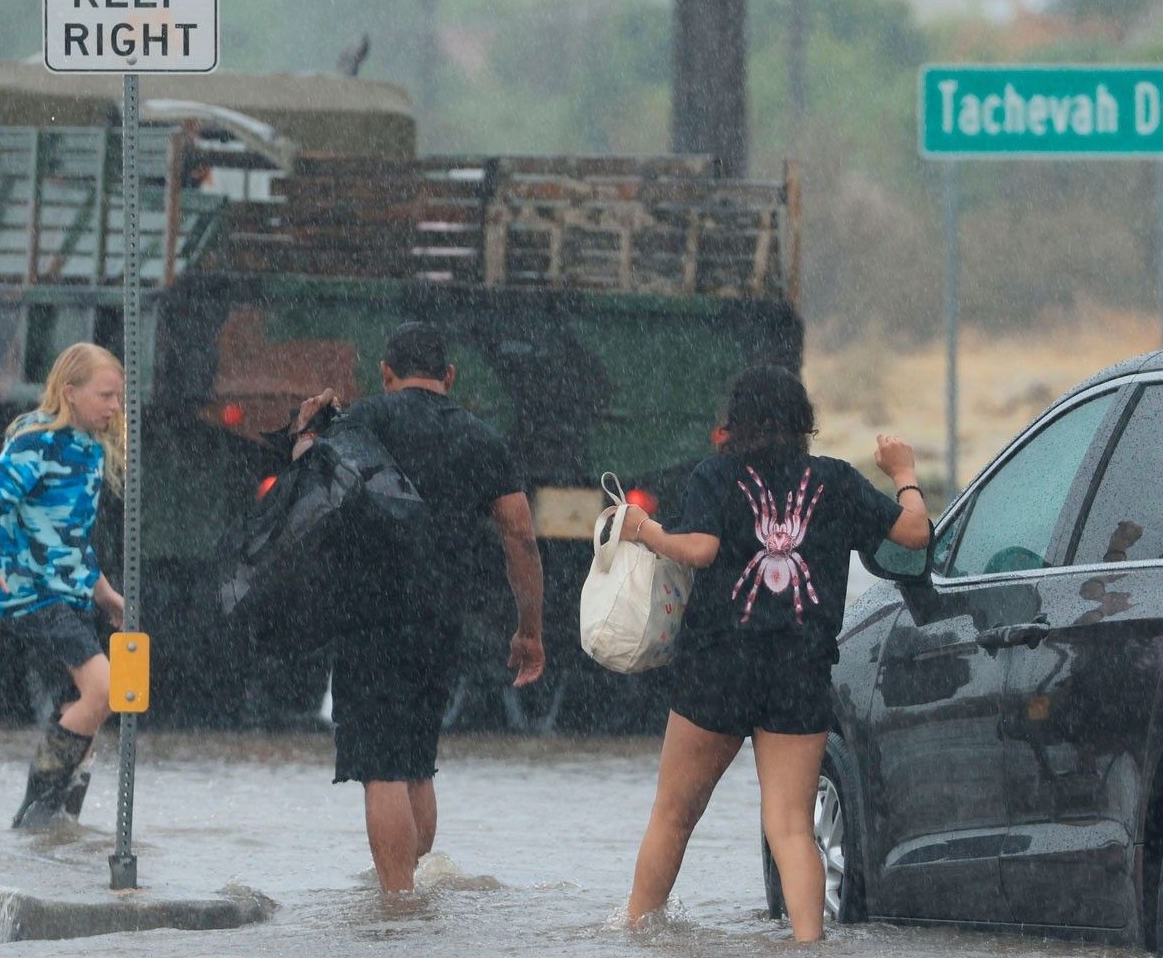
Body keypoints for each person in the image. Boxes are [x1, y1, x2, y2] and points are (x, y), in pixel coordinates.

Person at [618, 365, 932, 942]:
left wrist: (646, 530)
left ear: (734, 425)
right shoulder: (836, 481)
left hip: (718, 665)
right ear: (803, 424)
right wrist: (904, 473)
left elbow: (702, 549)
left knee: (673, 816)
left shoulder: (717, 475)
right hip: (800, 667)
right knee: (791, 828)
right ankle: (810, 945)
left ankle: (636, 937)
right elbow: (916, 534)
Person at [288, 321, 546, 892]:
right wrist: (530, 629)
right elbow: (520, 537)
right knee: (417, 761)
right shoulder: (482, 438)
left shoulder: (363, 423)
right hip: (442, 615)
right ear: (449, 375)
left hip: (368, 614)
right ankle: (417, 896)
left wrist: (306, 430)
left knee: (381, 767)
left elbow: (306, 493)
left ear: (385, 373)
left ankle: (399, 911)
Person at [0, 343, 128, 829]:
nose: (115, 407)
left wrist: (105, 593)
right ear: (70, 393)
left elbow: (70, 539)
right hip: (34, 596)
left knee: (83, 708)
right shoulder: (37, 442)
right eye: (106, 395)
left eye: (119, 397)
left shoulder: (90, 450)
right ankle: (37, 811)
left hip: (71, 597)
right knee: (105, 690)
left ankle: (62, 824)